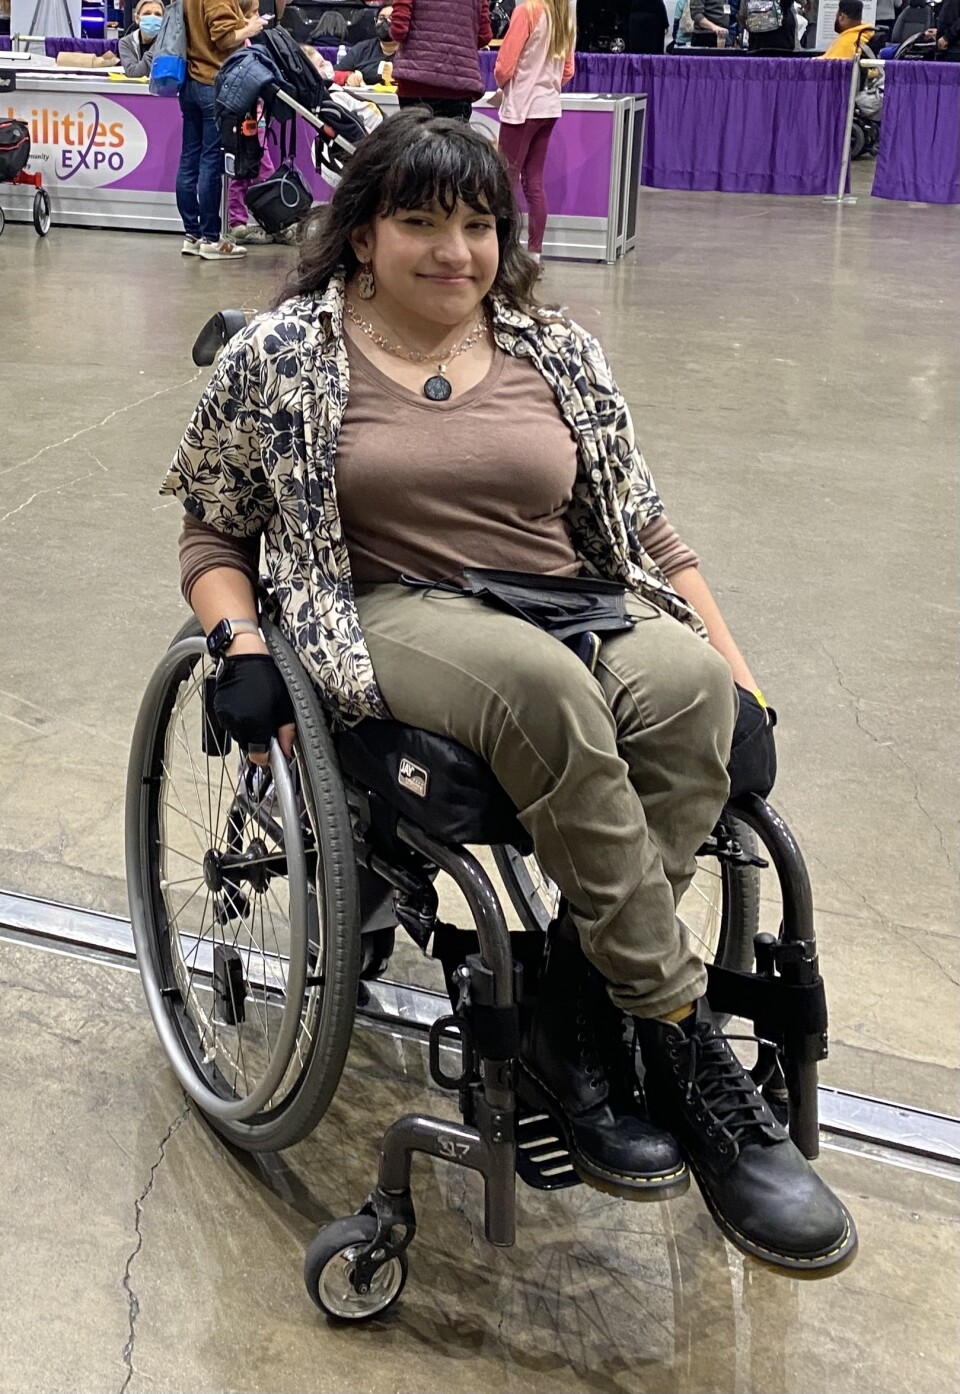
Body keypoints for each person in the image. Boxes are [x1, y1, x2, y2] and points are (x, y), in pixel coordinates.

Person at [162, 110, 857, 1278]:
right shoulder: (285, 355)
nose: (456, 251)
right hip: (383, 604)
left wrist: (739, 672)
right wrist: (236, 640)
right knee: (544, 694)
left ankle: (571, 1023)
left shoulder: (554, 347)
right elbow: (210, 526)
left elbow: (644, 527)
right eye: (421, 222)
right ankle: (684, 1043)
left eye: (479, 224)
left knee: (682, 688)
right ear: (363, 234)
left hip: (568, 592)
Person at [177, 0, 270, 260]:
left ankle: (192, 235)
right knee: (211, 162)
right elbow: (224, 37)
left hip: (190, 82)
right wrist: (251, 28)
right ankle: (211, 238)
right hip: (213, 83)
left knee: (189, 160)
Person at [494, 0, 575, 261]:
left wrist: (506, 84)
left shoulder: (527, 11)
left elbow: (504, 66)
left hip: (522, 106)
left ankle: (502, 251)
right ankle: (534, 254)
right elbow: (568, 70)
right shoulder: (565, 15)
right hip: (548, 107)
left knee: (505, 180)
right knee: (534, 181)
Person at [226, 0, 277, 245]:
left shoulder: (250, 44)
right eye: (254, 13)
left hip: (255, 118)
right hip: (247, 120)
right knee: (260, 171)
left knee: (242, 172)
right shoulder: (239, 46)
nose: (259, 18)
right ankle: (268, 221)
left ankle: (240, 221)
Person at [389, 0, 493, 120]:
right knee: (453, 137)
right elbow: (485, 35)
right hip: (459, 82)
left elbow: (398, 31)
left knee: (416, 137)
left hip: (415, 82)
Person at [334, 3, 399, 85]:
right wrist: (347, 77)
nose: (386, 22)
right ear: (375, 22)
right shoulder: (362, 49)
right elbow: (334, 73)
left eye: (392, 18)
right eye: (381, 18)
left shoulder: (412, 52)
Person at [119, 0, 165, 77]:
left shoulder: (169, 42)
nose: (153, 18)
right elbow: (133, 74)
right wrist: (156, 49)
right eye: (147, 13)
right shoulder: (126, 43)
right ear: (137, 18)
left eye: (158, 14)